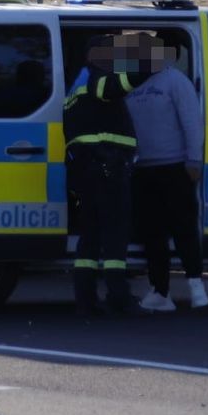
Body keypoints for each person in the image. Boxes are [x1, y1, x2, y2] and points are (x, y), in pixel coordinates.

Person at [123, 33, 208, 312]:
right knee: (153, 234)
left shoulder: (175, 81)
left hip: (175, 167)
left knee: (184, 229)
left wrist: (194, 160)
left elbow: (192, 123)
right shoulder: (131, 83)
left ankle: (197, 286)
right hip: (144, 169)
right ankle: (160, 291)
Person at [63, 34, 145, 315]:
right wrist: (144, 66)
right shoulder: (96, 77)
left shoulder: (76, 85)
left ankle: (85, 300)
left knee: (90, 235)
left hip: (86, 170)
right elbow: (115, 86)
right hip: (107, 167)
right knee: (115, 233)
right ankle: (119, 298)